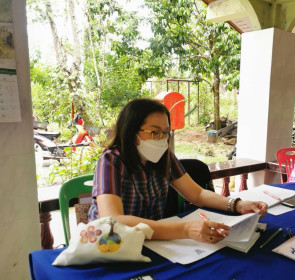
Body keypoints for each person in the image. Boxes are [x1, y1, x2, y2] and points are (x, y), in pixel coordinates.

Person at [88, 99, 267, 244]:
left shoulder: (164, 157)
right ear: (131, 131)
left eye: (166, 133)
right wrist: (185, 229)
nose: (162, 140)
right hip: (112, 243)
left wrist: (236, 204)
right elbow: (114, 220)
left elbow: (197, 194)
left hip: (152, 240)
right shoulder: (111, 161)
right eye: (155, 132)